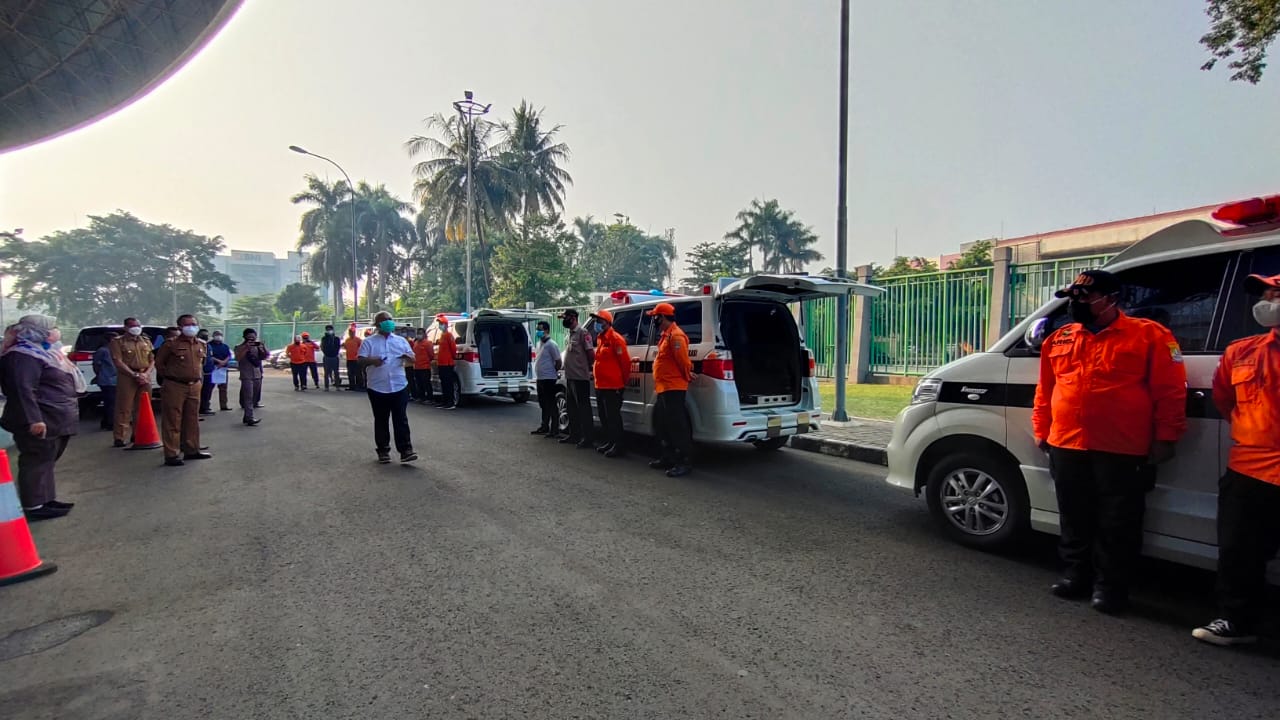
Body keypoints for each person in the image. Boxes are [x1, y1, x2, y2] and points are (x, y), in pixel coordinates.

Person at [1032, 270, 1187, 615]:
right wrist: (1042, 429)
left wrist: (1166, 436)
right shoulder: (1059, 339)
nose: (1077, 304)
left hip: (1122, 447)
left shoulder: (1150, 335)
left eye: (1086, 297)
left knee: (1118, 523)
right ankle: (1076, 576)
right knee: (1074, 516)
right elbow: (1046, 390)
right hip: (1067, 443)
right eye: (1073, 297)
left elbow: (1171, 391)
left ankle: (1111, 588)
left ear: (1112, 299)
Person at [1192, 272, 1280, 646]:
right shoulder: (1242, 351)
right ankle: (1236, 622)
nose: (1267, 302)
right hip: (1249, 469)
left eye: (1276, 294)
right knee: (1238, 551)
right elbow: (1225, 400)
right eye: (1266, 295)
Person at [0, 315, 84, 520]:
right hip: (40, 418)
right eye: (51, 327)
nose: (55, 331)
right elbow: (22, 390)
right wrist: (34, 420)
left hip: (54, 417)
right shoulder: (22, 356)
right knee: (36, 460)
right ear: (36, 331)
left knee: (46, 459)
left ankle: (46, 499)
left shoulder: (42, 352)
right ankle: (34, 505)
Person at [357, 311, 417, 464]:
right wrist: (372, 360)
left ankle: (406, 450)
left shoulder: (401, 341)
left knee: (401, 419)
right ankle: (383, 450)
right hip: (377, 387)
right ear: (377, 324)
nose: (389, 322)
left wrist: (409, 357)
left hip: (399, 385)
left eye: (390, 319)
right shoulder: (369, 342)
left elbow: (413, 358)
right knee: (381, 419)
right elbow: (360, 360)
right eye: (385, 320)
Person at [155, 314, 212, 467]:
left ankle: (192, 449)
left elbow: (201, 364)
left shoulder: (201, 344)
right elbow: (159, 364)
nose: (191, 327)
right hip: (175, 385)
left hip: (194, 385)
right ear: (180, 327)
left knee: (192, 419)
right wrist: (170, 377)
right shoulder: (170, 344)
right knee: (173, 420)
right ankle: (172, 454)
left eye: (194, 324)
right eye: (187, 325)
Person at [648, 302, 694, 477]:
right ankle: (667, 457)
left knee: (677, 426)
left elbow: (683, 362)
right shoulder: (666, 335)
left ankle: (684, 462)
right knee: (663, 424)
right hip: (664, 387)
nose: (653, 320)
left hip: (674, 388)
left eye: (655, 317)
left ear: (662, 317)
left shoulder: (676, 336)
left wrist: (687, 375)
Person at [109, 317, 155, 449]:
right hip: (127, 376)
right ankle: (120, 437)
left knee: (143, 407)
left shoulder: (145, 341)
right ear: (125, 328)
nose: (136, 328)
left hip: (145, 376)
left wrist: (146, 374)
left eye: (138, 325)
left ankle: (137, 434)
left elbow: (152, 359)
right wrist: (134, 374)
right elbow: (118, 361)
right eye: (133, 326)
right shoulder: (118, 342)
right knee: (124, 407)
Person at [590, 309, 631, 458]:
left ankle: (618, 445)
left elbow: (625, 363)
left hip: (613, 386)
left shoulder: (616, 339)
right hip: (600, 385)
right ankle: (610, 441)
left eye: (599, 321)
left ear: (607, 322)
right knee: (604, 416)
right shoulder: (601, 338)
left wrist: (622, 383)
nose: (596, 323)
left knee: (613, 417)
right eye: (596, 321)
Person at [559, 308, 595, 448]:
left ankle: (588, 438)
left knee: (583, 409)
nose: (564, 320)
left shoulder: (583, 333)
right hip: (570, 377)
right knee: (572, 408)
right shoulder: (570, 334)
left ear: (573, 317)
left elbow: (590, 354)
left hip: (580, 377)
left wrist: (589, 369)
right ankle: (574, 435)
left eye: (565, 318)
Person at [531, 320, 563, 438]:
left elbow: (558, 361)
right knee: (543, 404)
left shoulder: (551, 345)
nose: (538, 332)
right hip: (540, 378)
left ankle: (555, 429)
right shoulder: (539, 343)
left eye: (540, 329)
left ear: (547, 330)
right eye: (537, 329)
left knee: (551, 403)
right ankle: (544, 426)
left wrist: (553, 372)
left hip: (549, 378)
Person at [234, 328, 268, 427]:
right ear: (244, 337)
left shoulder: (257, 346)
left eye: (253, 337)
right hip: (246, 375)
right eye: (249, 338)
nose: (252, 340)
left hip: (257, 374)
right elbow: (237, 358)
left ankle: (247, 416)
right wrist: (246, 348)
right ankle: (250, 417)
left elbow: (265, 356)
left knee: (254, 397)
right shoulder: (239, 347)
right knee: (248, 396)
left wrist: (263, 347)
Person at [200, 330, 232, 415]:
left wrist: (224, 362)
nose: (218, 336)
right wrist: (219, 362)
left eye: (220, 335)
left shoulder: (225, 346)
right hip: (213, 369)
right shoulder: (208, 345)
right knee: (209, 388)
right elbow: (209, 356)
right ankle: (206, 406)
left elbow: (229, 355)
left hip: (223, 369)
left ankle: (224, 405)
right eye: (217, 334)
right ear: (213, 336)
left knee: (223, 388)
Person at [92, 331, 119, 432]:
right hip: (107, 380)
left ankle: (106, 421)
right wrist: (99, 375)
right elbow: (96, 365)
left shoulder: (115, 350)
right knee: (111, 402)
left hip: (114, 380)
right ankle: (110, 423)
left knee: (110, 402)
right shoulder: (103, 351)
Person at [434, 314, 459, 410]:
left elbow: (453, 349)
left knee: (448, 383)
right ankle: (445, 401)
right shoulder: (442, 335)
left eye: (441, 323)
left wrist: (452, 358)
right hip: (441, 363)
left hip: (447, 364)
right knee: (444, 383)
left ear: (445, 324)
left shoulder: (449, 335)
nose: (440, 325)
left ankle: (450, 402)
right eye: (439, 323)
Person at [411, 327, 434, 404]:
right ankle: (421, 397)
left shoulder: (428, 343)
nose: (418, 335)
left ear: (424, 334)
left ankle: (430, 398)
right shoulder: (416, 343)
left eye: (420, 333)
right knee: (419, 383)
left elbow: (431, 355)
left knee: (426, 383)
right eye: (418, 333)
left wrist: (426, 361)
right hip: (417, 367)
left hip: (425, 367)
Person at [343, 325, 365, 392]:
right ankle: (352, 386)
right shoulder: (347, 340)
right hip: (349, 359)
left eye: (352, 332)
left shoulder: (358, 340)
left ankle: (359, 386)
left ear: (354, 333)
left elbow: (362, 348)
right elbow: (346, 347)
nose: (351, 333)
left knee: (358, 373)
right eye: (350, 332)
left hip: (356, 359)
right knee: (350, 373)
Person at [321, 324, 342, 390]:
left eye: (330, 329)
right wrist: (326, 352)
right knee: (326, 372)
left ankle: (337, 386)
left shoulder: (336, 339)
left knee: (336, 372)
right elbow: (322, 347)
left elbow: (338, 347)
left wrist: (335, 353)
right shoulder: (324, 338)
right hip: (327, 356)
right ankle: (326, 387)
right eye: (327, 330)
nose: (329, 331)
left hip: (334, 357)